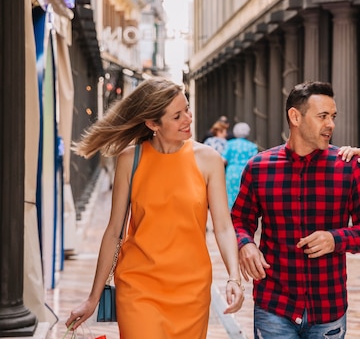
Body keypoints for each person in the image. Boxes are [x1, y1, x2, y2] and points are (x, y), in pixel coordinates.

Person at [65, 78, 244, 338]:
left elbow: (224, 228)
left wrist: (234, 278)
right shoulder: (130, 159)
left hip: (191, 290)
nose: (188, 119)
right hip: (139, 287)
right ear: (152, 124)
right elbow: (114, 232)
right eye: (177, 116)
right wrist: (93, 299)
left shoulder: (209, 160)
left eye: (187, 110)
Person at [230, 81, 360, 339]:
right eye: (322, 116)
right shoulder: (258, 167)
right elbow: (238, 220)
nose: (331, 125)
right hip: (274, 305)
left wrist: (335, 239)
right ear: (295, 117)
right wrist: (245, 244)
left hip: (328, 308)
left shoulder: (350, 166)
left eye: (333, 117)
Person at [222, 122, 258, 209]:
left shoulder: (229, 144)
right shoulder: (252, 146)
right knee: (245, 194)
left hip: (232, 171)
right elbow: (254, 162)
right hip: (246, 172)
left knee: (230, 194)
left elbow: (223, 160)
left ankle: (231, 215)